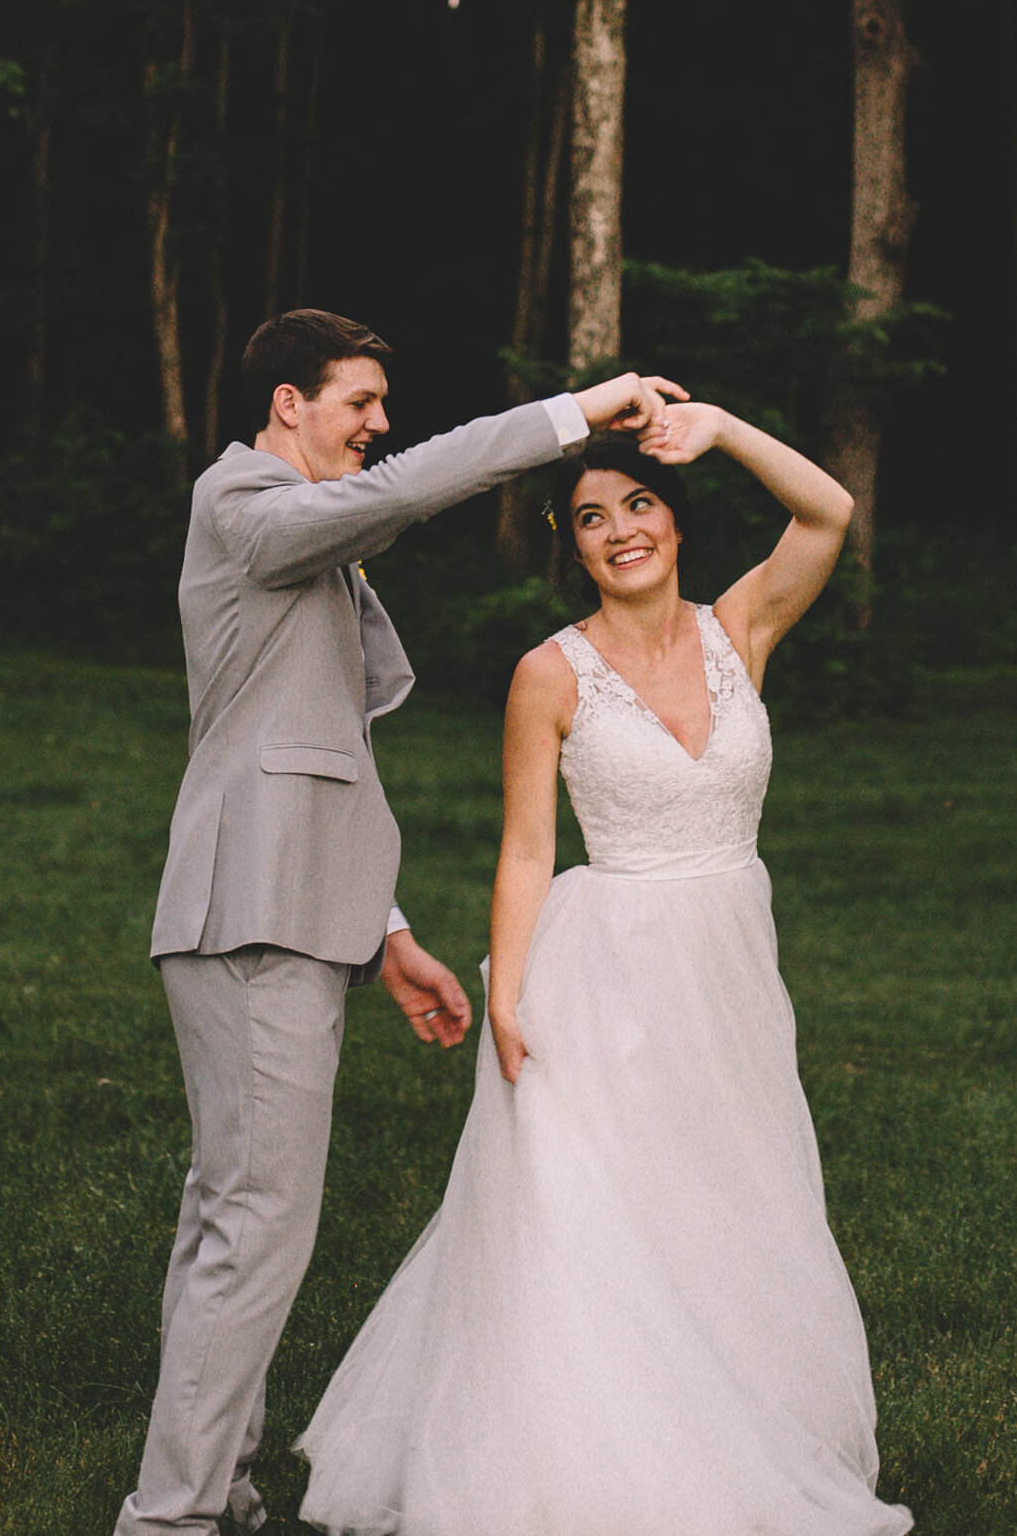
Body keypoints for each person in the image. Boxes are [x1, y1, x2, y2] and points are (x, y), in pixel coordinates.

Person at [298, 399, 913, 1536]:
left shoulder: (743, 630)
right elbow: (527, 847)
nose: (620, 529)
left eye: (638, 504)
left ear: (676, 521)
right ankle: (596, 1462)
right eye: (590, 517)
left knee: (729, 1197)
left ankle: (745, 1422)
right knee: (600, 1215)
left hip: (728, 963)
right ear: (572, 546)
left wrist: (718, 427)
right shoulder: (551, 673)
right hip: (606, 966)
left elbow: (828, 511)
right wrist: (509, 994)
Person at [114, 307, 676, 1536]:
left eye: (380, 403)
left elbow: (314, 751)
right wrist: (577, 413)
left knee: (229, 1216)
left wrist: (389, 930)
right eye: (358, 401)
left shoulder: (292, 531)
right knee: (254, 1226)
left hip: (283, 907)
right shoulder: (248, 506)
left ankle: (219, 1486)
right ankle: (169, 1519)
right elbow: (418, 486)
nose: (379, 424)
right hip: (251, 918)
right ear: (286, 406)